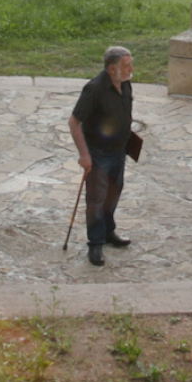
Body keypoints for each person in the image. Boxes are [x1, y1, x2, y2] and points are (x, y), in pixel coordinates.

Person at [69, 45, 134, 266]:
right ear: (111, 68)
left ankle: (108, 232)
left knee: (114, 193)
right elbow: (74, 122)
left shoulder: (126, 84)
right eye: (126, 66)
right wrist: (84, 155)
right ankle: (95, 243)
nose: (130, 69)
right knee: (96, 199)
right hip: (98, 153)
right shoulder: (94, 89)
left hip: (118, 151)